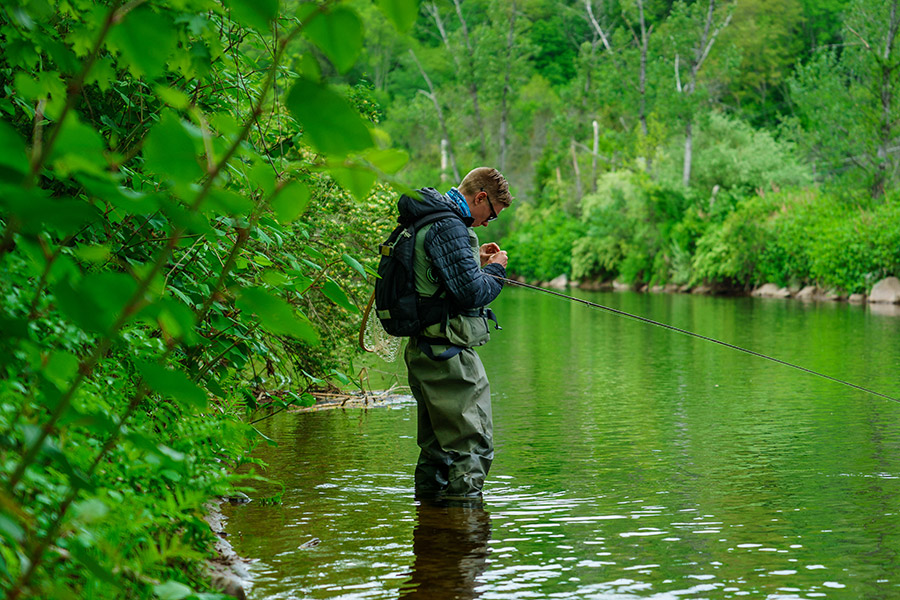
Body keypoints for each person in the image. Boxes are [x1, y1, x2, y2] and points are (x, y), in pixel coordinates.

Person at [399, 166, 512, 499]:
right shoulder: (450, 226)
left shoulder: (431, 218)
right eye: (490, 214)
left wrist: (471, 259)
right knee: (472, 448)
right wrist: (496, 270)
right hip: (448, 354)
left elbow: (434, 276)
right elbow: (472, 294)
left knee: (436, 452)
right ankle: (466, 540)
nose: (487, 223)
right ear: (479, 197)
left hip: (424, 350)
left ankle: (433, 535)